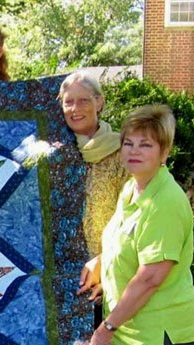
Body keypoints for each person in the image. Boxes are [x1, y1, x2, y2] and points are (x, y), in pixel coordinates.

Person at [78, 105, 194, 345]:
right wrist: (103, 262)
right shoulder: (131, 189)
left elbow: (150, 278)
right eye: (128, 143)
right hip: (133, 335)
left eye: (145, 144)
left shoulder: (164, 202)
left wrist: (106, 329)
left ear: (164, 152)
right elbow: (130, 242)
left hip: (163, 338)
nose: (134, 150)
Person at [60, 71, 130, 330]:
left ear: (99, 103)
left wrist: (106, 263)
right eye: (68, 102)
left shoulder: (123, 153)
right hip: (62, 280)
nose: (75, 109)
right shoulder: (53, 154)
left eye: (84, 101)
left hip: (111, 273)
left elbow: (134, 218)